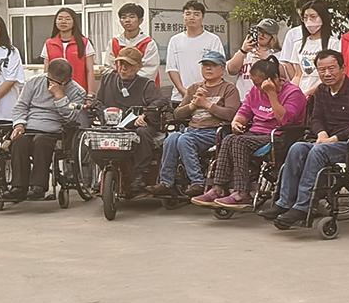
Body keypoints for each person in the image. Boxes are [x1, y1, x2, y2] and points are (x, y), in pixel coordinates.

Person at [270, 45, 349, 227]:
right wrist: (322, 133)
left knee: (318, 151)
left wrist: (334, 139)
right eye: (322, 70)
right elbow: (316, 118)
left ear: (343, 68)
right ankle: (284, 203)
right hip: (327, 140)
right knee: (297, 148)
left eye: (331, 68)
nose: (327, 73)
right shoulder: (322, 91)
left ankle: (303, 206)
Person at [199, 55, 305, 209]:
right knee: (228, 138)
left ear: (275, 79)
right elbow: (244, 111)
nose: (258, 88)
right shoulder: (255, 91)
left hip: (278, 136)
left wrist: (271, 94)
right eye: (255, 84)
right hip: (255, 134)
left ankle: (242, 192)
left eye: (261, 84)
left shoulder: (293, 93)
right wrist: (237, 122)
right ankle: (218, 188)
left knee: (239, 142)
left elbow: (284, 120)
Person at [159, 47, 238, 201]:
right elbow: (177, 114)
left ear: (222, 69)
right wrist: (192, 106)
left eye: (213, 65)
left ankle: (197, 182)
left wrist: (207, 105)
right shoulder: (194, 88)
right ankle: (166, 182)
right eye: (205, 65)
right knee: (171, 138)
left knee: (184, 139)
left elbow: (231, 114)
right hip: (192, 130)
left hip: (214, 131)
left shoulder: (229, 89)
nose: (208, 68)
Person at [8, 58, 92, 199]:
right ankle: (18, 187)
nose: (54, 85)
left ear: (68, 79)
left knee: (41, 142)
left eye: (61, 83)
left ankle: (38, 186)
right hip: (30, 126)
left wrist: (60, 96)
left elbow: (71, 117)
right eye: (51, 81)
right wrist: (19, 124)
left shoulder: (77, 92)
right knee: (19, 142)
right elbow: (21, 106)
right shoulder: (33, 82)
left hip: (54, 130)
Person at [89, 43, 165, 178]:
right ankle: (104, 172)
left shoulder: (146, 84)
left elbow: (161, 101)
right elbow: (98, 101)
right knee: (92, 136)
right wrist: (103, 112)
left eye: (128, 65)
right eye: (121, 63)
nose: (123, 68)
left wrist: (145, 115)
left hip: (136, 125)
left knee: (143, 133)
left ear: (138, 67)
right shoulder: (107, 79)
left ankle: (139, 176)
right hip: (111, 124)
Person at [162, 0, 226, 102]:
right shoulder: (175, 40)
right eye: (188, 14)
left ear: (202, 17)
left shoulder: (213, 40)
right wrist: (185, 92)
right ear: (183, 16)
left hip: (207, 96)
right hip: (180, 97)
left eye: (196, 14)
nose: (192, 17)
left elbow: (219, 66)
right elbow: (171, 68)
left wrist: (204, 92)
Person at [279, 0, 335, 89]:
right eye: (305, 18)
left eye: (313, 17)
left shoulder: (333, 43)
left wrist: (310, 92)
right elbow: (298, 75)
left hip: (324, 91)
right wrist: (293, 91)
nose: (309, 21)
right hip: (303, 91)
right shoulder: (298, 45)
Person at [44, 6, 94, 93]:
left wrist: (90, 93)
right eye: (60, 19)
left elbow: (90, 71)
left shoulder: (84, 43)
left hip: (79, 91)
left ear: (74, 22)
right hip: (55, 92)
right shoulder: (49, 43)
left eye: (67, 19)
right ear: (55, 22)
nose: (63, 21)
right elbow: (46, 71)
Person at [108, 1, 156, 77]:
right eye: (123, 17)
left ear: (140, 20)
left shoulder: (148, 43)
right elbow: (109, 67)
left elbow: (149, 70)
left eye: (132, 17)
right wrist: (119, 80)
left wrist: (129, 79)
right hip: (118, 83)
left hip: (142, 83)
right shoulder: (114, 42)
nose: (127, 20)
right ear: (120, 21)